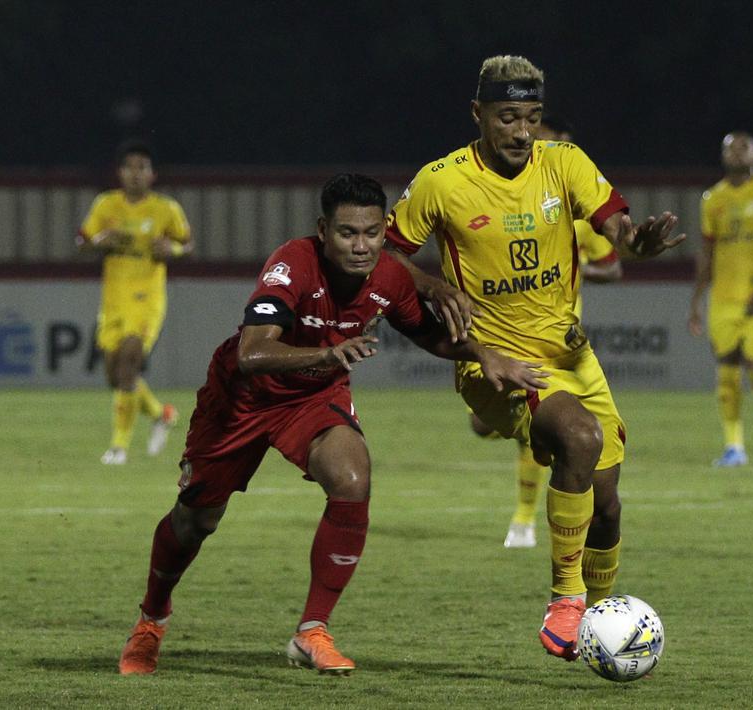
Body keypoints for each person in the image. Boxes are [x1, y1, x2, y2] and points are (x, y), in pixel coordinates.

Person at [117, 174, 546, 676]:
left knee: (353, 478)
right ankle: (152, 620)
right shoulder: (291, 264)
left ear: (384, 231)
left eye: (370, 233)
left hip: (315, 396)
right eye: (347, 233)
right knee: (197, 521)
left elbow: (428, 334)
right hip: (241, 399)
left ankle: (312, 631)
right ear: (323, 230)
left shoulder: (389, 276)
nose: (360, 246)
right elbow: (252, 353)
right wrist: (327, 353)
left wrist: (483, 354)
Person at [384, 55, 684, 661]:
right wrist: (435, 287)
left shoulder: (563, 164)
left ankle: (602, 634)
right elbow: (385, 257)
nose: (522, 132)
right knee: (578, 434)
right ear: (478, 115)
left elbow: (616, 224)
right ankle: (567, 598)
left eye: (531, 117)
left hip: (571, 357)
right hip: (491, 361)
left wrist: (636, 242)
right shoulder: (442, 182)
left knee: (607, 507)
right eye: (507, 117)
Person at [468, 115, 623, 550]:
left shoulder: (575, 210)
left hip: (558, 343)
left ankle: (523, 522)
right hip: (503, 338)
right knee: (483, 426)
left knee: (551, 427)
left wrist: (576, 265)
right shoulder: (496, 201)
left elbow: (613, 266)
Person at [78, 141, 191, 465]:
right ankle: (161, 414)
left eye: (142, 167)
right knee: (116, 376)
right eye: (130, 167)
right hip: (114, 300)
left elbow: (187, 242)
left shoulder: (165, 209)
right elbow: (81, 240)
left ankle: (118, 447)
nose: (136, 174)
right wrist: (98, 242)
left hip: (147, 299)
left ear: (152, 174)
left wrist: (173, 251)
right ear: (120, 172)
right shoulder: (106, 205)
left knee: (129, 361)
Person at [689, 132, 753, 467]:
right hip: (724, 297)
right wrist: (696, 300)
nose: (736, 153)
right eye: (730, 148)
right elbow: (706, 253)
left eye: (743, 147)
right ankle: (735, 447)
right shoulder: (712, 199)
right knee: (727, 372)